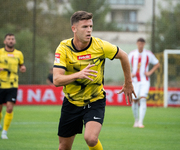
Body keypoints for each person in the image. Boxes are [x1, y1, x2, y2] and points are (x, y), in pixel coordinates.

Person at [53, 11, 136, 150]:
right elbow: (56, 80)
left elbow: (124, 56)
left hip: (95, 100)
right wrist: (78, 75)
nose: (89, 30)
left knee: (91, 139)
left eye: (91, 26)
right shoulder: (63, 48)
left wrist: (128, 82)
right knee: (64, 147)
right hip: (71, 102)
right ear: (74, 29)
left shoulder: (100, 46)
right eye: (85, 27)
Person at [0, 33, 26, 139]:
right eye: (8, 39)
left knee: (9, 108)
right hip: (0, 85)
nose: (11, 40)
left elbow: (22, 66)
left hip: (13, 84)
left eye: (12, 39)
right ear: (5, 41)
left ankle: (4, 131)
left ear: (15, 41)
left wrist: (23, 68)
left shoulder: (19, 54)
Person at [128, 38, 160, 128]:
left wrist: (150, 72)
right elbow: (124, 63)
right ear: (136, 44)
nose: (140, 45)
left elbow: (157, 63)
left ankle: (141, 122)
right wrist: (129, 73)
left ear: (144, 44)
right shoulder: (132, 54)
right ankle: (136, 120)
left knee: (143, 99)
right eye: (139, 43)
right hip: (134, 81)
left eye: (142, 43)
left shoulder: (148, 54)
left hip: (144, 80)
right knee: (134, 100)